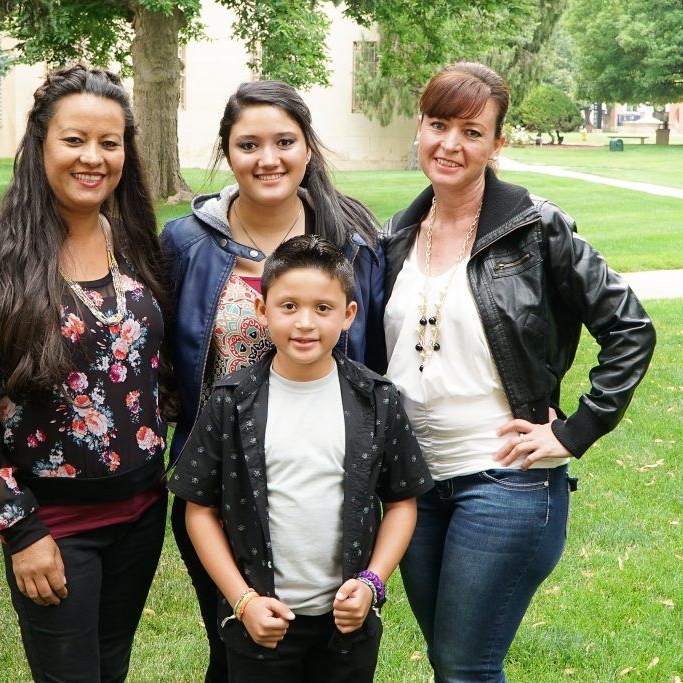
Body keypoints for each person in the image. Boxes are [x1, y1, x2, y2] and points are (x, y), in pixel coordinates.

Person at [382, 62, 656, 682]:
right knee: (447, 659)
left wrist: (574, 431)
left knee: (465, 665)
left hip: (505, 481)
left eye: (472, 132)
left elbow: (630, 327)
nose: (450, 144)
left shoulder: (536, 226)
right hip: (416, 486)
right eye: (438, 124)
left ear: (496, 145)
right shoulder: (396, 234)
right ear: (419, 128)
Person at [0, 65, 174, 683]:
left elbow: (157, 369)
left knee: (110, 667)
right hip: (54, 523)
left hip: (141, 514)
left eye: (110, 142)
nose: (93, 157)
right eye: (74, 140)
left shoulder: (137, 244)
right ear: (40, 142)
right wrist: (19, 527)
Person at [161, 80, 386, 681]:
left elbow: (377, 364)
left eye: (284, 141)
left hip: (324, 485)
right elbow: (157, 358)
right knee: (236, 644)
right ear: (226, 153)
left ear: (307, 148)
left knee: (327, 649)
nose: (268, 159)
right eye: (249, 144)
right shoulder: (186, 244)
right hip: (217, 487)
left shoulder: (352, 244)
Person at [168, 235, 431, 682]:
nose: (305, 323)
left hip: (346, 626)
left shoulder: (377, 400)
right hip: (260, 623)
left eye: (323, 308)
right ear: (262, 311)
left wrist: (372, 582)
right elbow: (200, 512)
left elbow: (402, 503)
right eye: (288, 306)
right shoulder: (230, 402)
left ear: (349, 315)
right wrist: (243, 601)